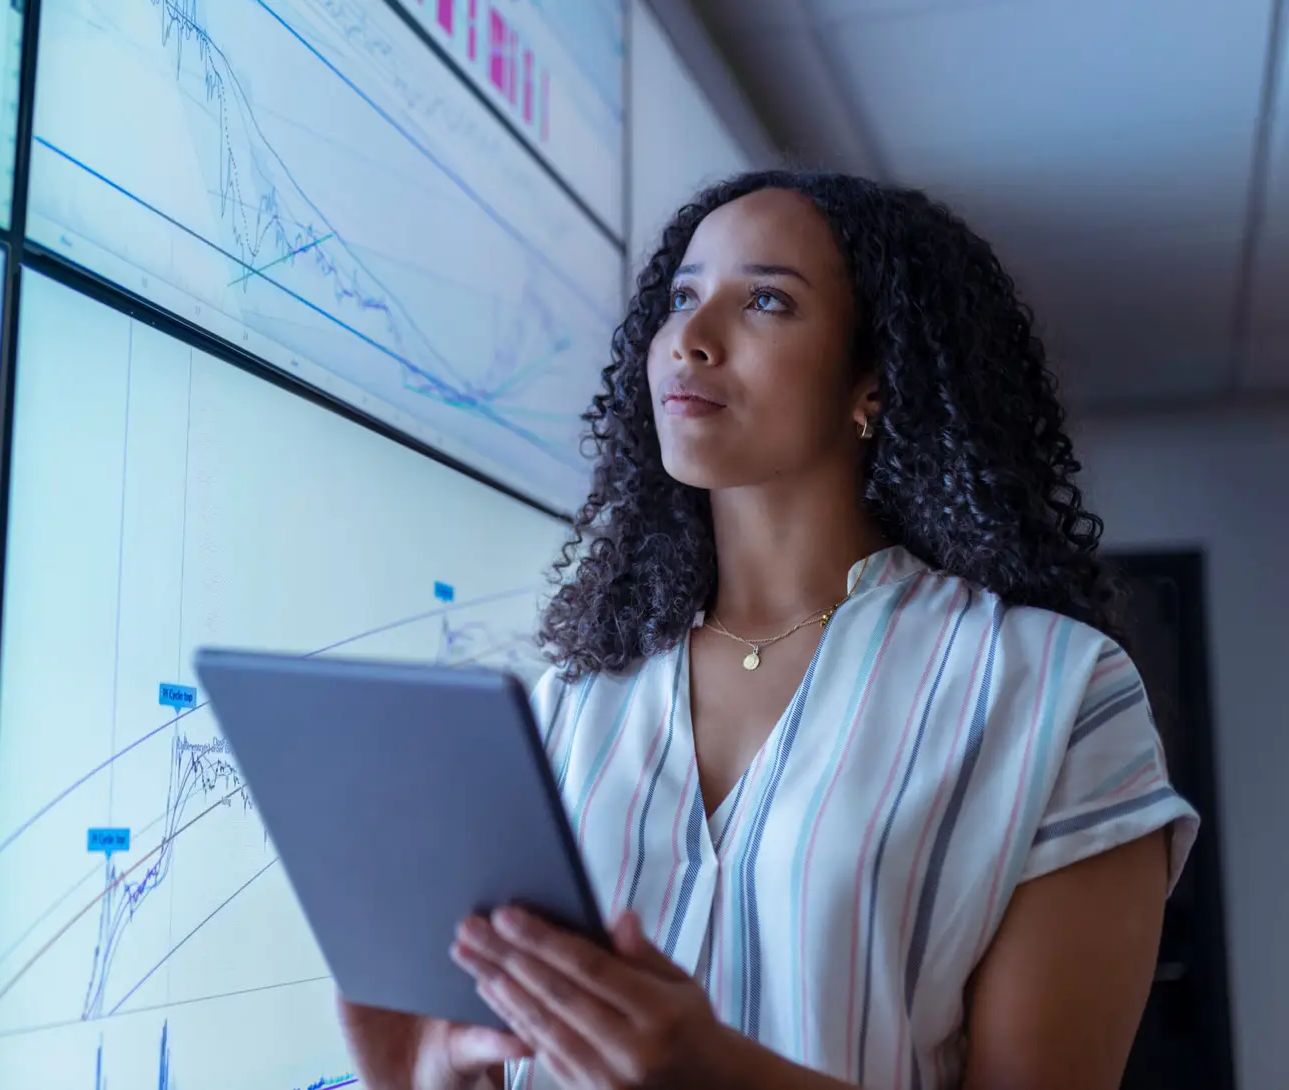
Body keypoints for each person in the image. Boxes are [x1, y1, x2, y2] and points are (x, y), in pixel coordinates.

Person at [335, 171, 1200, 1090]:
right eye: (681, 298)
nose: (691, 341)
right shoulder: (569, 707)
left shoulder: (1055, 691)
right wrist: (436, 1080)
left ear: (873, 377)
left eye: (765, 301)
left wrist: (719, 1075)